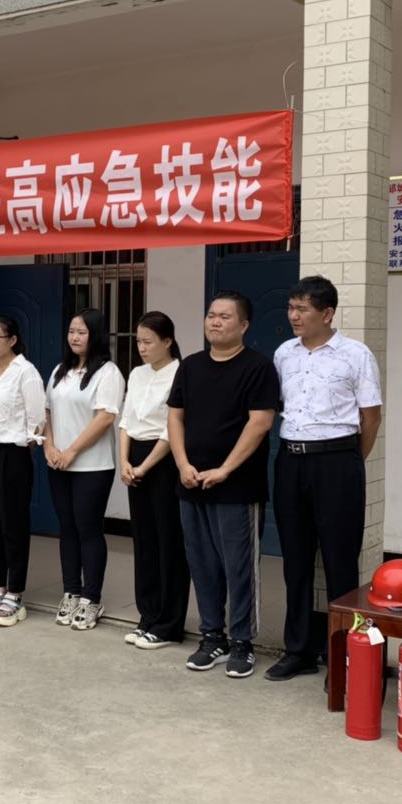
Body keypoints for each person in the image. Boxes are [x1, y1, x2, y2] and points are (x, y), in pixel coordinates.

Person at [265, 276, 382, 682]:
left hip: (337, 462)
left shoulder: (356, 355)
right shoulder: (284, 353)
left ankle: (344, 656)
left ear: (327, 313)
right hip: (290, 460)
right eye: (291, 307)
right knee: (295, 560)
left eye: (303, 309)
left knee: (340, 560)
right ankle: (298, 649)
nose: (293, 316)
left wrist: (348, 460)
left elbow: (371, 416)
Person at [167, 291, 280, 679]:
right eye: (211, 315)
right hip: (191, 483)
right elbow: (175, 417)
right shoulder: (191, 366)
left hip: (237, 487)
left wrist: (225, 469)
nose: (215, 321)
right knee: (202, 565)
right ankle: (212, 636)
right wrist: (182, 463)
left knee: (239, 568)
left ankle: (243, 642)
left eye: (225, 316)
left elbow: (260, 423)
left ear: (244, 325)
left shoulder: (258, 367)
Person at [45, 308, 125, 631]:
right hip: (58, 463)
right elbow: (47, 412)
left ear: (96, 335)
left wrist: (72, 451)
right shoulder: (60, 370)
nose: (74, 337)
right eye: (71, 331)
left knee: (88, 529)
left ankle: (91, 598)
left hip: (92, 465)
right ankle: (71, 592)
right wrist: (50, 447)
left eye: (82, 332)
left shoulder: (108, 372)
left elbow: (105, 418)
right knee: (67, 529)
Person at [118, 311, 188, 650]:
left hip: (165, 459)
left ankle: (169, 623)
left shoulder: (181, 373)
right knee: (144, 542)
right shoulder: (137, 373)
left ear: (168, 341)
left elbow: (172, 428)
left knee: (169, 542)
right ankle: (147, 615)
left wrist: (144, 466)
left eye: (148, 342)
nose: (142, 348)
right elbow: (126, 421)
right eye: (138, 342)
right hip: (135, 458)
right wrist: (124, 462)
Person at [0, 315, 46, 627]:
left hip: (12, 453)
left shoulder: (26, 372)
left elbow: (37, 420)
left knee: (12, 524)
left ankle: (15, 592)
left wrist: (22, 448)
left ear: (12, 340)